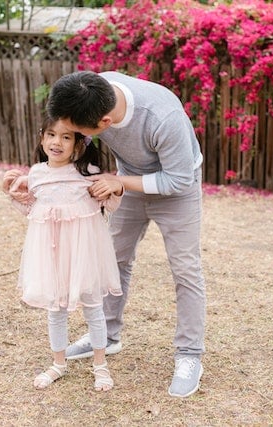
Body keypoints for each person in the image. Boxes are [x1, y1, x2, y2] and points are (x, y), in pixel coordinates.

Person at [46, 70, 206, 398]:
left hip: (178, 187)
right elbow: (67, 149)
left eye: (78, 132)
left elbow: (178, 180)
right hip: (128, 179)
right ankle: (106, 335)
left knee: (185, 270)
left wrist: (119, 181)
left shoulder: (163, 117)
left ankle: (189, 355)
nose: (72, 135)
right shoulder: (90, 91)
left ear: (105, 122)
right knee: (113, 260)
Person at [2, 116, 124, 392]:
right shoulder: (35, 174)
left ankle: (100, 365)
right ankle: (58, 363)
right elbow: (32, 212)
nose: (57, 142)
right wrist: (12, 193)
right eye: (52, 135)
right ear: (42, 137)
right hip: (50, 252)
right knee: (55, 309)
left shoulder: (87, 173)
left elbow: (112, 205)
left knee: (93, 306)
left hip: (84, 252)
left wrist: (116, 187)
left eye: (66, 137)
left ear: (78, 144)